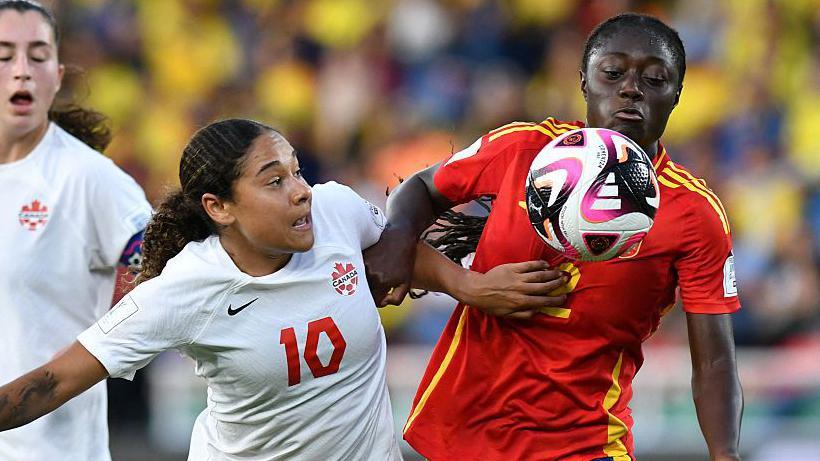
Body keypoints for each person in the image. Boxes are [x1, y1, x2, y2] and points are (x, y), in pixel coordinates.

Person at [0, 118, 568, 460]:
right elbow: (53, 382)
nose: (301, 191)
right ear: (219, 208)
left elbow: (398, 252)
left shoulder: (337, 211)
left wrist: (468, 285)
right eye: (275, 181)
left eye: (296, 170)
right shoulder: (183, 290)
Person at [365, 13, 743, 461]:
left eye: (655, 79)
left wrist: (726, 455)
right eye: (613, 72)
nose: (631, 89)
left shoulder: (694, 213)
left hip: (585, 445)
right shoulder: (523, 149)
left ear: (677, 94)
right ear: (583, 81)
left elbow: (715, 359)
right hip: (463, 434)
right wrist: (408, 244)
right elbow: (423, 188)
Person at [0, 1, 151, 460]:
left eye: (38, 55)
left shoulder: (88, 179)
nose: (22, 70)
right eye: (4, 55)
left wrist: (93, 357)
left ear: (58, 76)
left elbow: (166, 278)